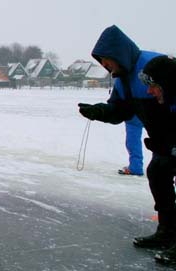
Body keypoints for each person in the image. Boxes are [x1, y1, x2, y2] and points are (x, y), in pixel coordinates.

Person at [77, 25, 176, 264]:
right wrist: (100, 111)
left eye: (107, 62)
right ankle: (168, 232)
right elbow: (120, 110)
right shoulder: (123, 80)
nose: (106, 68)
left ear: (118, 55)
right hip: (164, 142)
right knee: (157, 174)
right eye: (102, 64)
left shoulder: (154, 65)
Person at [137, 55, 176, 264]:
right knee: (158, 168)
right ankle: (167, 231)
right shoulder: (168, 101)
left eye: (153, 86)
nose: (149, 91)